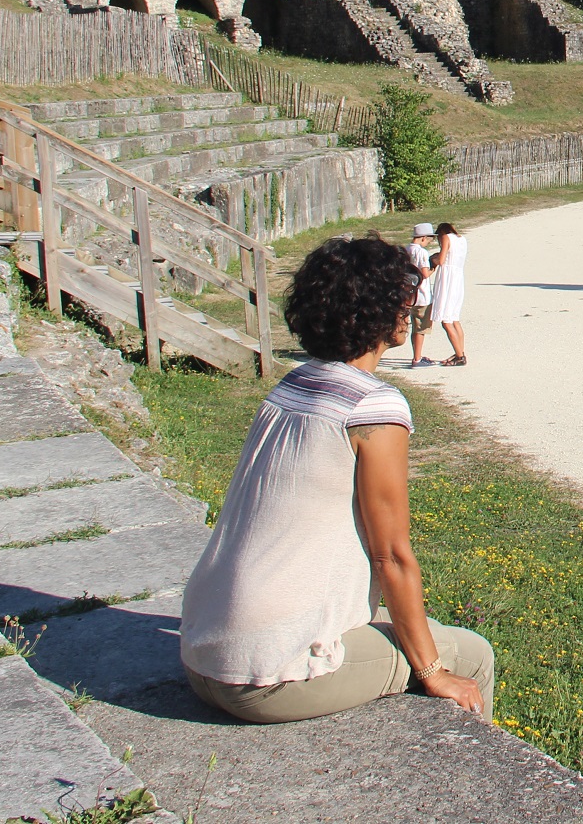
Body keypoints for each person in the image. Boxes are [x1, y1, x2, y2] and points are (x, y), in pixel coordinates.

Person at [179, 234, 493, 725]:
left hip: (202, 651)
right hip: (265, 675)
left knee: (413, 628)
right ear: (382, 312)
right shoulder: (372, 405)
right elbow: (391, 556)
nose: (408, 309)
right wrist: (433, 672)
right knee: (472, 654)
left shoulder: (293, 384)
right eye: (403, 300)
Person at [431, 223, 468, 365]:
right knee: (454, 318)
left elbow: (441, 260)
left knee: (446, 320)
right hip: (458, 278)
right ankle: (460, 352)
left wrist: (432, 259)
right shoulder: (462, 239)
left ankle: (459, 356)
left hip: (448, 279)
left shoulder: (446, 237)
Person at [405, 223, 437, 367]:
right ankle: (417, 358)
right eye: (428, 240)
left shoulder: (407, 249)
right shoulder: (421, 252)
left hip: (409, 295)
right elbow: (424, 274)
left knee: (414, 326)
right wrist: (433, 268)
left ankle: (416, 355)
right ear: (423, 238)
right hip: (422, 295)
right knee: (420, 329)